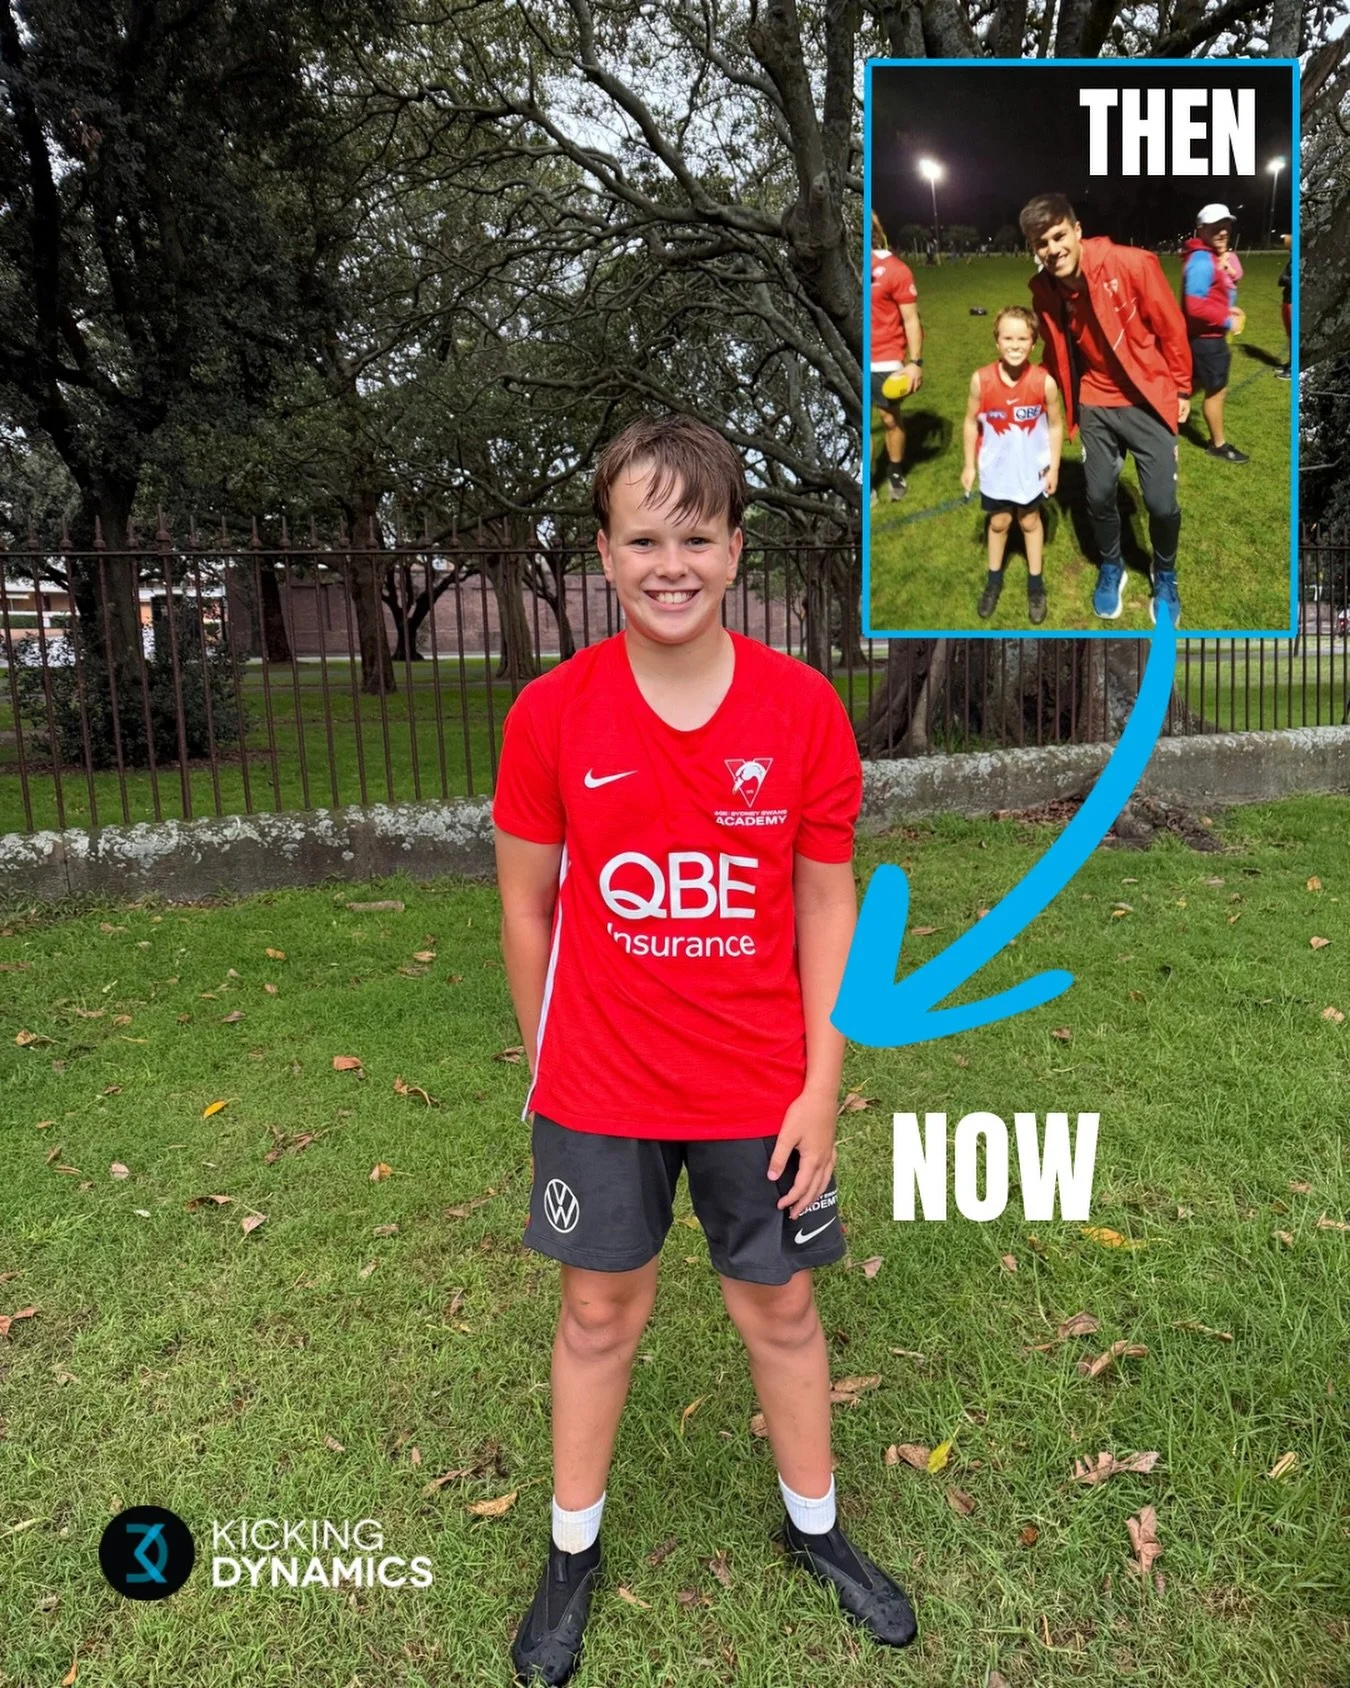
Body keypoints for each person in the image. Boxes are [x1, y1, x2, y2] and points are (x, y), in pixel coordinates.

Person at [492, 415, 917, 1687]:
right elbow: (528, 901)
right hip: (603, 1083)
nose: (668, 560)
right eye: (641, 536)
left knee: (780, 1306)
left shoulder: (801, 712)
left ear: (736, 550)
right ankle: (572, 1553)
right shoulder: (552, 714)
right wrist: (544, 1057)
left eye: (694, 534)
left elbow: (826, 900)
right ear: (606, 555)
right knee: (596, 1308)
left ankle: (818, 1529)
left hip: (760, 1087)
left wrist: (823, 1086)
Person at [1022, 193, 1193, 628]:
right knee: (1097, 496)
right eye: (1041, 243)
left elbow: (1171, 328)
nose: (1052, 249)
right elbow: (1056, 347)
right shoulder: (1045, 290)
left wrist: (1182, 389)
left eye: (1059, 236)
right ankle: (1112, 565)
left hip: (1146, 397)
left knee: (1161, 504)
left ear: (1077, 232)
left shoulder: (1132, 264)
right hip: (1094, 401)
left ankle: (1165, 573)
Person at [960, 305, 1064, 625]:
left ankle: (1035, 585)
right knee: (1000, 523)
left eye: (1023, 338)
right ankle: (994, 581)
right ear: (997, 342)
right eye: (1008, 338)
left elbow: (1057, 425)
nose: (1015, 345)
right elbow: (969, 422)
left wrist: (1055, 466)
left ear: (1033, 343)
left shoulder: (1044, 382)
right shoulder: (981, 380)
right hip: (996, 471)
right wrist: (969, 466)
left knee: (1030, 521)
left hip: (1031, 470)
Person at [1181, 205, 1250, 463]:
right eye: (1215, 227)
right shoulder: (1201, 260)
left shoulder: (1207, 255)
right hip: (1208, 341)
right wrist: (1225, 320)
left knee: (1192, 384)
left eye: (1226, 225)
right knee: (1217, 391)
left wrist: (1226, 307)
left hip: (1203, 339)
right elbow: (1194, 305)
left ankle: (1158, 417)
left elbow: (1208, 295)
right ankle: (1218, 445)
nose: (1223, 231)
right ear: (1201, 229)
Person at [870, 212, 924, 503]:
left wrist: (915, 363)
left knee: (889, 420)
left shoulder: (895, 270)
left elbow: (912, 320)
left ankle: (894, 471)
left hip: (886, 360)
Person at [1276, 233, 1292, 380]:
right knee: (1290, 335)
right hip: (1287, 299)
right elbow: (1281, 279)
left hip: (1293, 300)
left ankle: (1294, 368)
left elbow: (1286, 279)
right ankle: (1291, 363)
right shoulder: (1292, 258)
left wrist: (1285, 279)